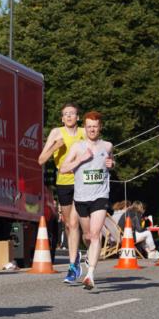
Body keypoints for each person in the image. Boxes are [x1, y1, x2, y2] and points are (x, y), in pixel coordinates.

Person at [58, 111, 114, 291]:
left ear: (100, 127)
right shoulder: (77, 147)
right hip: (81, 197)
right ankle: (88, 258)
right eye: (89, 126)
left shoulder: (107, 145)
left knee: (96, 234)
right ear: (85, 127)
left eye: (95, 126)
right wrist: (80, 160)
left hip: (100, 195)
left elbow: (111, 162)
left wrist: (112, 164)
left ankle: (90, 275)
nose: (92, 129)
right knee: (88, 236)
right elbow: (63, 169)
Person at [38, 103, 86, 283]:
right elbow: (41, 160)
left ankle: (73, 265)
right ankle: (77, 257)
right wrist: (55, 147)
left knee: (74, 223)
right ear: (61, 118)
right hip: (63, 182)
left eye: (72, 114)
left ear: (78, 117)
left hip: (82, 181)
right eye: (65, 114)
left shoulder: (84, 132)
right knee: (68, 224)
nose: (68, 117)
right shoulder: (57, 133)